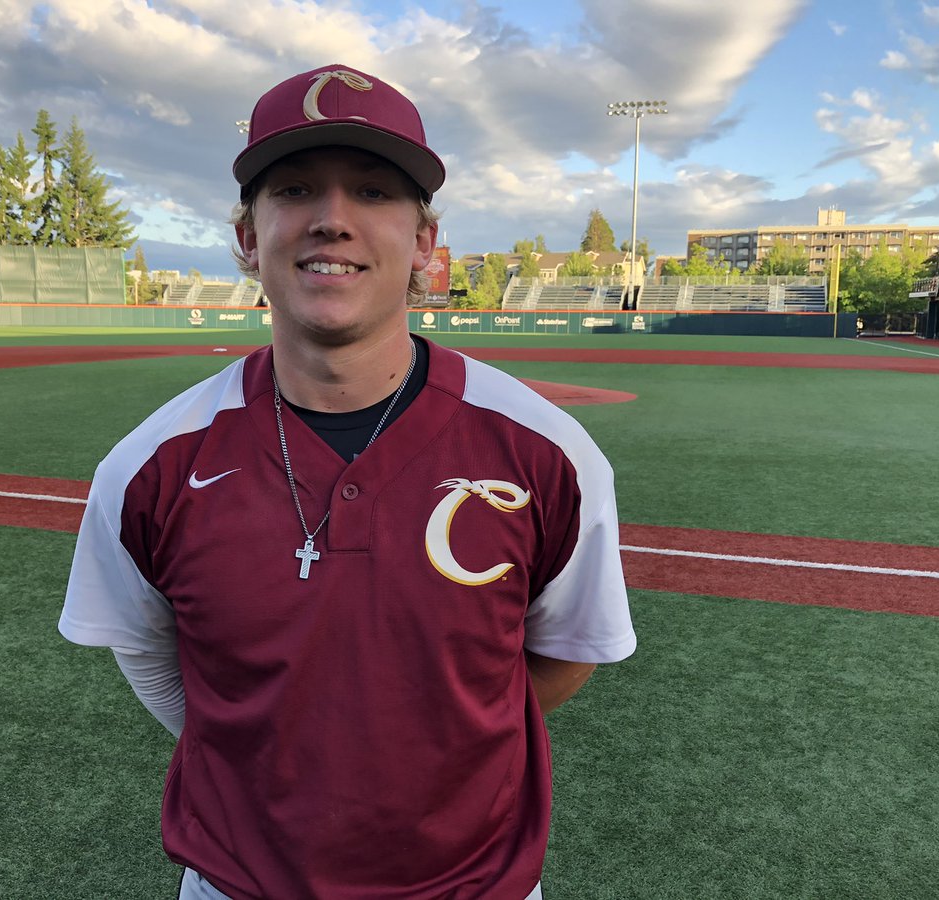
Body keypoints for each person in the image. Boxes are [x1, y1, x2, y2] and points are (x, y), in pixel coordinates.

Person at [60, 63, 635, 900]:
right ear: (249, 237)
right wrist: (264, 752)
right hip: (238, 886)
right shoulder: (150, 463)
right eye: (294, 189)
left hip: (473, 888)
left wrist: (429, 752)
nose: (332, 220)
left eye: (371, 192)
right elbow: (148, 651)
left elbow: (566, 651)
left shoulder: (548, 451)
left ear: (426, 243)